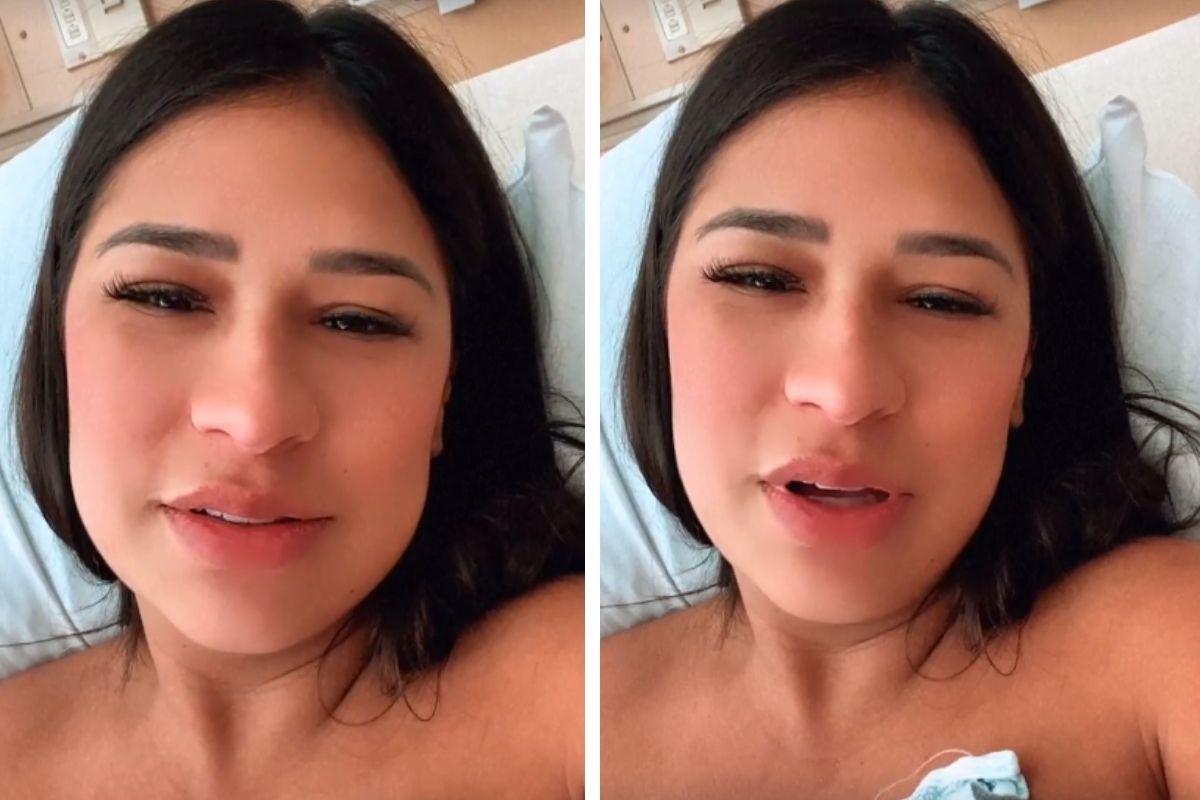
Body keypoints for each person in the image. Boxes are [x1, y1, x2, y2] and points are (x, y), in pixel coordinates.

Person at [601, 1, 1200, 797]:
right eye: (761, 279)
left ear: (1027, 363)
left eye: (941, 300)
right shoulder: (580, 724)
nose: (846, 392)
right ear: (658, 321)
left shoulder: (1167, 647)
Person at [0, 1, 582, 797]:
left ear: (449, 385)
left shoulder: (579, 711)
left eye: (356, 320)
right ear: (57, 342)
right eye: (165, 298)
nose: (255, 419)